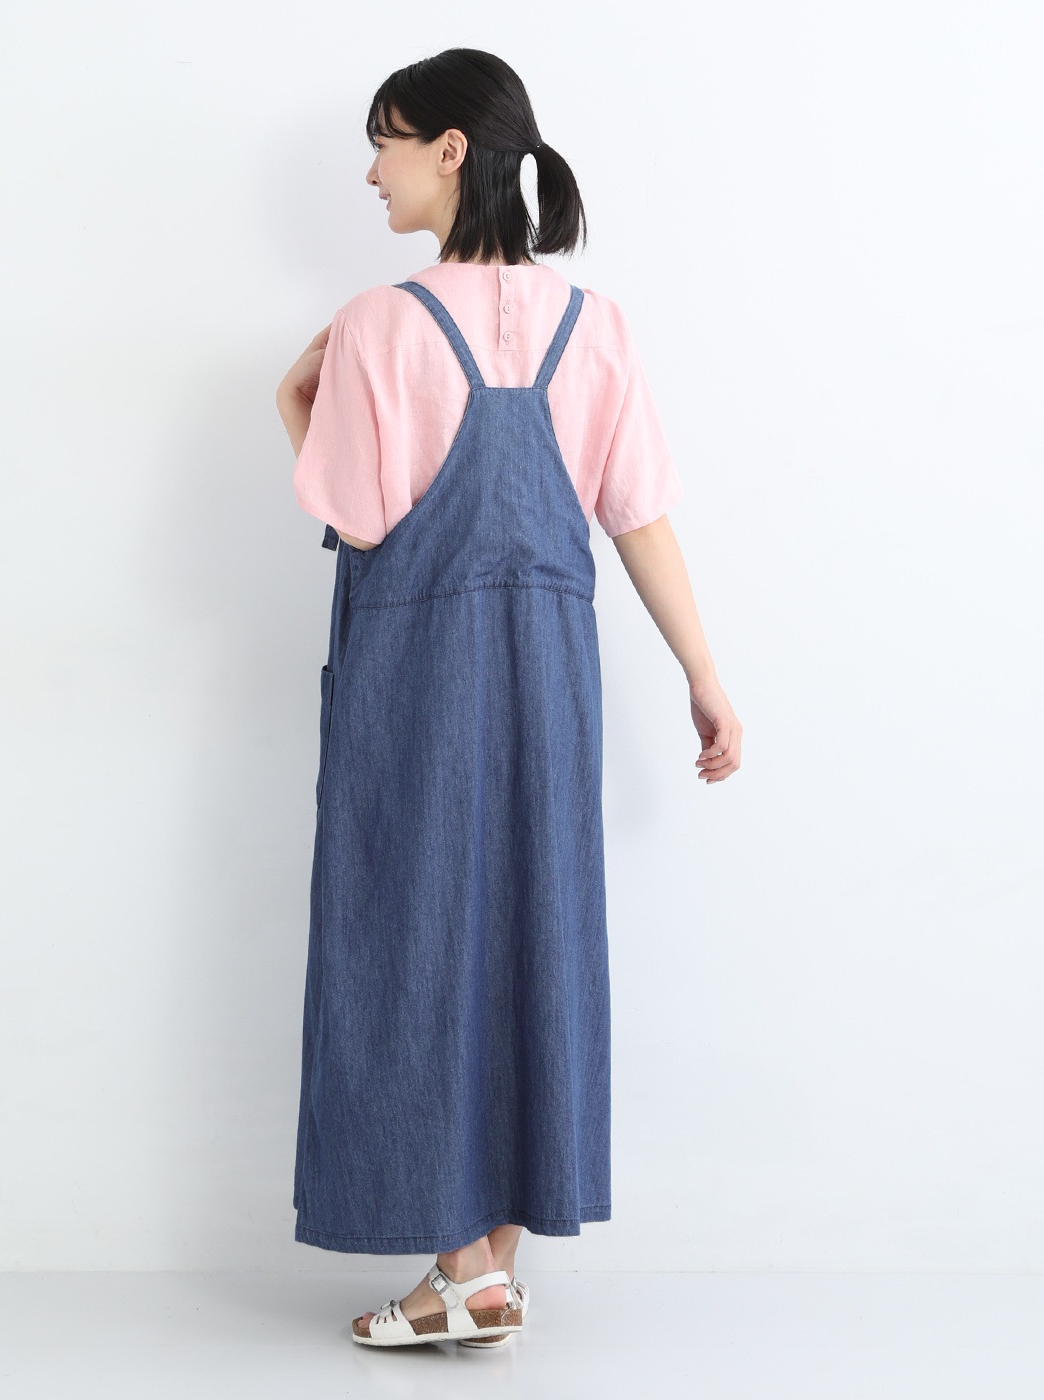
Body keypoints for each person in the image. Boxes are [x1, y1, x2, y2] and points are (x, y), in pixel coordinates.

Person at [275, 47, 742, 1349]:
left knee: (411, 931)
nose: (372, 172)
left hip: (412, 677)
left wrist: (291, 402)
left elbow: (361, 518)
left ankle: (460, 1271)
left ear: (450, 151)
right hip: (548, 676)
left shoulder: (377, 326)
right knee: (537, 927)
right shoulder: (597, 325)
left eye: (385, 142)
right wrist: (704, 676)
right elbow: (638, 516)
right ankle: (487, 1272)